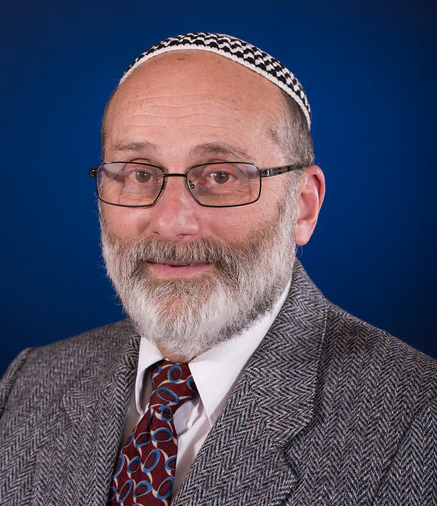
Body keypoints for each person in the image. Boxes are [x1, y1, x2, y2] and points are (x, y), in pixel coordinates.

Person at [0, 32, 435, 506]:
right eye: (140, 174)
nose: (171, 223)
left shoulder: (417, 422)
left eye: (221, 176)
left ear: (303, 207)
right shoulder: (29, 383)